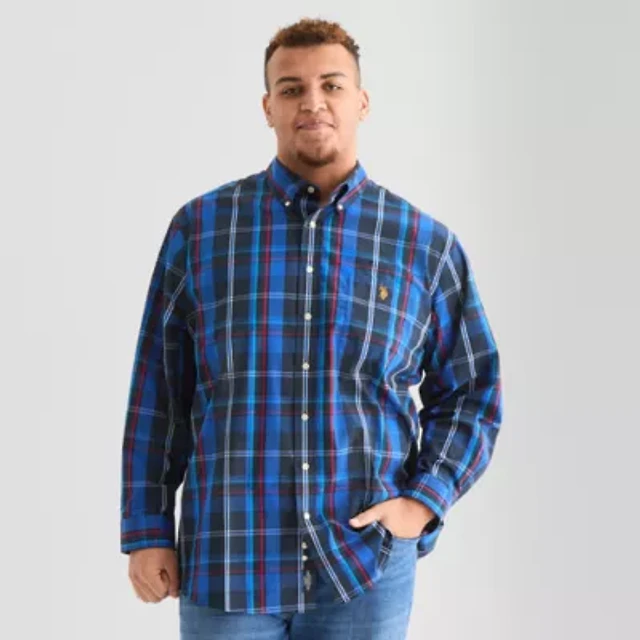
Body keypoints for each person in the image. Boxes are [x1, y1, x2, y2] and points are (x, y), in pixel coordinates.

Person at [120, 17, 503, 640]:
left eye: (332, 85)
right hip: (228, 558)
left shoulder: (423, 245)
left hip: (365, 564)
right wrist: (147, 530)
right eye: (292, 89)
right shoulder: (202, 230)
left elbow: (472, 391)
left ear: (362, 102)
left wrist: (423, 501)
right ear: (268, 107)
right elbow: (158, 394)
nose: (313, 102)